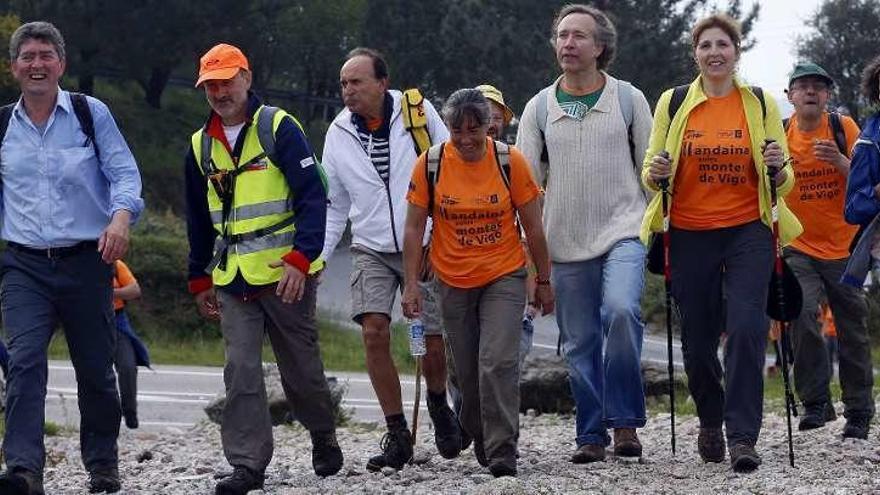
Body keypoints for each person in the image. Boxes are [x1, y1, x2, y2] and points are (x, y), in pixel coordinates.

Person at [642, 14, 800, 472]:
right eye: (706, 45)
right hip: (689, 231)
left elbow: (783, 181)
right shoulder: (673, 104)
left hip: (748, 228)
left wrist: (776, 166)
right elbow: (651, 171)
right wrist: (656, 174)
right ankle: (710, 417)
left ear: (736, 52)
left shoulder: (758, 102)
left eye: (723, 45)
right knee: (697, 337)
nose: (715, 53)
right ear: (695, 53)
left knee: (749, 327)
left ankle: (743, 436)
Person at [184, 43, 342, 495]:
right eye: (210, 84)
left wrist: (300, 259)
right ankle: (247, 465)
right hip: (231, 277)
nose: (219, 91)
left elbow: (314, 197)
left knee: (301, 367)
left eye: (227, 81)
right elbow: (197, 217)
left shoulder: (279, 127)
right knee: (241, 370)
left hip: (284, 271)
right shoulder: (199, 145)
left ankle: (321, 432)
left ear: (246, 78)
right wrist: (199, 278)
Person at [0, 21, 144, 495]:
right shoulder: (2, 125)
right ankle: (24, 471)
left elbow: (124, 173)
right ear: (14, 66)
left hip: (87, 260)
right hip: (24, 264)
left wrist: (120, 218)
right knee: (23, 362)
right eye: (28, 56)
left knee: (96, 370)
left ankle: (103, 464)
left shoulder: (89, 113)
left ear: (60, 63)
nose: (37, 64)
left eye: (46, 55)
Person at [515, 4, 652, 463]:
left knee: (620, 312)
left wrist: (661, 214)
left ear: (600, 47)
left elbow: (649, 172)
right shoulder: (539, 107)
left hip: (624, 230)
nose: (568, 43)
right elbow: (525, 186)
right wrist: (533, 260)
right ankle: (590, 434)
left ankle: (626, 424)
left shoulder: (630, 100)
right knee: (579, 343)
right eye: (562, 35)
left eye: (578, 36)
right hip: (564, 240)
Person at [401, 88, 554, 478]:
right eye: (457, 130)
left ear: (490, 126)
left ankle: (502, 448)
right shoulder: (430, 164)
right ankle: (477, 428)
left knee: (497, 361)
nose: (466, 138)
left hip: (503, 275)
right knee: (467, 372)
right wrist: (412, 285)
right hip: (452, 280)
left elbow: (534, 227)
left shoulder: (510, 161)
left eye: (475, 129)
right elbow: (415, 226)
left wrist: (544, 279)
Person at [321, 47, 460, 471]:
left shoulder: (418, 114)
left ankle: (438, 405)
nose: (348, 91)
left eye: (357, 82)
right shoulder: (339, 132)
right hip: (370, 247)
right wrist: (318, 258)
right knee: (374, 331)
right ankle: (397, 431)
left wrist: (440, 238)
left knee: (431, 340)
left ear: (383, 82)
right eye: (344, 83)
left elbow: (449, 171)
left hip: (426, 241)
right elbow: (334, 204)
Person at [782, 62, 873, 438]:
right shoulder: (780, 133)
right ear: (790, 96)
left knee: (852, 328)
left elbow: (867, 180)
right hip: (797, 244)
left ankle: (859, 412)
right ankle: (816, 403)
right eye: (802, 86)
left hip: (844, 246)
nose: (810, 92)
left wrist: (839, 161)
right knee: (800, 315)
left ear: (827, 95)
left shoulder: (843, 128)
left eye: (818, 87)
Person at [112, 259, 151, 430]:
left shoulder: (116, 265)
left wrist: (112, 293)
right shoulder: (79, 262)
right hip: (91, 322)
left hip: (117, 320)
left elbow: (134, 289)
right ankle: (106, 415)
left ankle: (130, 411)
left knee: (128, 366)